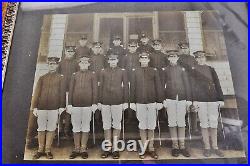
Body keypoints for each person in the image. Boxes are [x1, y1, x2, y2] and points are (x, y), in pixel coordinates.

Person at [130, 52, 164, 159]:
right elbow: (133, 88)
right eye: (142, 58)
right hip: (140, 101)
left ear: (148, 60)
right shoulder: (135, 71)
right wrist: (132, 102)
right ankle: (144, 148)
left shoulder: (154, 71)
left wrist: (159, 101)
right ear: (139, 60)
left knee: (151, 124)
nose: (144, 60)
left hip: (152, 101)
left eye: (146, 58)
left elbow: (158, 86)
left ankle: (151, 148)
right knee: (142, 124)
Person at [192, 51, 225, 157]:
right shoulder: (193, 70)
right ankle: (207, 147)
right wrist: (194, 100)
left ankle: (215, 147)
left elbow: (218, 84)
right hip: (200, 100)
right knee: (204, 124)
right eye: (198, 58)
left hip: (212, 100)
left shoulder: (211, 69)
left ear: (205, 58)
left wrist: (220, 99)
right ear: (196, 59)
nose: (200, 59)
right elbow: (192, 86)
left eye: (202, 57)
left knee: (214, 123)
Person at [32, 57, 66, 159]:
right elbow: (37, 93)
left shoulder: (61, 77)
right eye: (50, 64)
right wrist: (34, 107)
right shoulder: (42, 78)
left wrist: (61, 106)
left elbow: (62, 93)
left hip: (54, 107)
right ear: (48, 65)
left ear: (57, 65)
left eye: (54, 64)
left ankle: (47, 150)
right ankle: (40, 150)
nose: (52, 65)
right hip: (41, 107)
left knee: (51, 128)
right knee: (41, 128)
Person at [162, 50, 192, 157]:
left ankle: (182, 146)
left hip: (182, 98)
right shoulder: (165, 70)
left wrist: (188, 99)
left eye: (174, 57)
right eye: (170, 57)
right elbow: (162, 86)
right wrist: (163, 99)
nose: (173, 58)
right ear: (168, 58)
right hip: (170, 98)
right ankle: (175, 146)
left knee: (181, 122)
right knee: (172, 122)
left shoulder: (182, 70)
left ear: (177, 58)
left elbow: (187, 85)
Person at [67, 57, 98, 159]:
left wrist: (94, 103)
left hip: (88, 105)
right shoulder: (74, 75)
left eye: (86, 63)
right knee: (76, 126)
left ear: (89, 64)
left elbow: (95, 90)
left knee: (85, 126)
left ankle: (83, 148)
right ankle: (76, 148)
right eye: (82, 63)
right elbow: (70, 90)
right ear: (79, 64)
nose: (84, 64)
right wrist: (70, 104)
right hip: (75, 105)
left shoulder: (92, 74)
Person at [99, 54, 129, 159]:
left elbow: (125, 87)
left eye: (114, 60)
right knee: (106, 124)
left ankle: (115, 148)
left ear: (117, 60)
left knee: (116, 124)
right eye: (111, 60)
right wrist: (99, 101)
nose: (112, 61)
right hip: (105, 101)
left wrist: (125, 101)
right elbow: (100, 87)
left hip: (118, 101)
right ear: (108, 61)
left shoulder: (122, 71)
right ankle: (107, 148)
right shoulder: (103, 71)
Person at [177, 42, 199, 134]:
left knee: (193, 106)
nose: (184, 50)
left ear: (189, 49)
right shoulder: (178, 59)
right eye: (182, 48)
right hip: (182, 84)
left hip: (192, 84)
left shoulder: (193, 59)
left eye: (186, 48)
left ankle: (194, 128)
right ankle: (184, 126)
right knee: (183, 106)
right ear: (180, 49)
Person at [58, 46, 78, 138]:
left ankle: (66, 129)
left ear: (74, 53)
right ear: (65, 52)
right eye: (68, 51)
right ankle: (59, 129)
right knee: (61, 109)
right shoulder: (61, 63)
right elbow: (57, 76)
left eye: (72, 51)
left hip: (71, 89)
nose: (70, 53)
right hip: (61, 89)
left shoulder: (76, 63)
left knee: (69, 109)